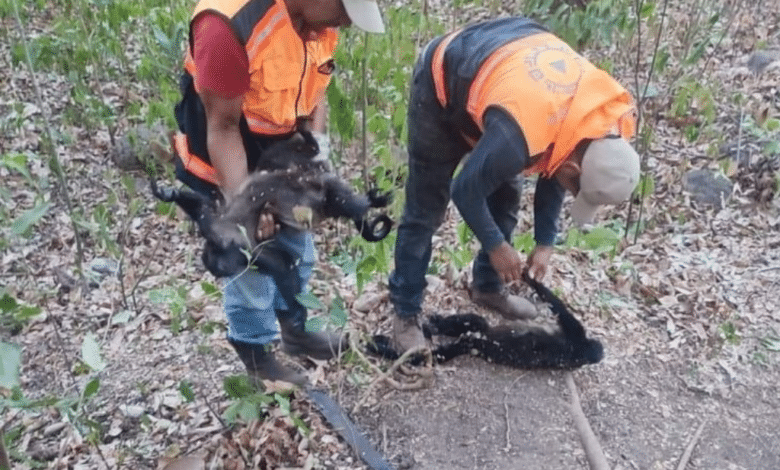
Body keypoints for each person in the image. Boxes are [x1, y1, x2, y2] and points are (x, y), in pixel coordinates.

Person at [389, 16, 641, 352]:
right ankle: (405, 314)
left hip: (506, 94)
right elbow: (465, 190)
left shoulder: (603, 124)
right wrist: (498, 246)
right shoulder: (520, 134)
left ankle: (488, 287)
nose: (570, 191)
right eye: (575, 187)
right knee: (425, 210)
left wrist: (545, 240)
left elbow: (558, 163)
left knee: (506, 195)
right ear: (574, 166)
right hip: (445, 85)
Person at [171, 0, 385, 385]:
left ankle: (296, 332)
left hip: (281, 157)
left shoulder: (321, 23)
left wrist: (315, 158)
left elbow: (314, 91)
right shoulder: (227, 26)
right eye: (343, 14)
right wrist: (250, 205)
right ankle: (255, 358)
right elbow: (222, 128)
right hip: (226, 162)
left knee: (298, 253)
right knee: (253, 261)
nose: (344, 25)